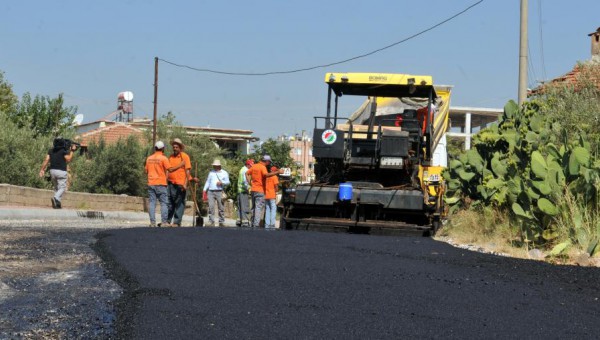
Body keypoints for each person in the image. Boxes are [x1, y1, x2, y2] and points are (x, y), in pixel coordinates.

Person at [144, 141, 177, 227]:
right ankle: (164, 222)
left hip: (151, 183)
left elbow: (146, 171)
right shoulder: (164, 158)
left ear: (155, 148)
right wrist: (181, 165)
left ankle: (152, 223)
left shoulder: (149, 158)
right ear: (163, 149)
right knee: (164, 203)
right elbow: (170, 170)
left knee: (152, 203)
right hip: (161, 184)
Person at [246, 155, 283, 228]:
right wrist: (278, 172)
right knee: (258, 207)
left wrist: (250, 183)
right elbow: (266, 175)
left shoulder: (254, 166)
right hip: (260, 190)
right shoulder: (263, 167)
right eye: (269, 162)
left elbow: (246, 173)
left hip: (253, 189)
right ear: (266, 161)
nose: (269, 163)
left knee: (253, 207)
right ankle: (256, 225)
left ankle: (252, 223)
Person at [39, 138, 76, 209]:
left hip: (52, 171)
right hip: (61, 171)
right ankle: (56, 198)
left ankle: (57, 204)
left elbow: (46, 160)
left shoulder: (51, 151)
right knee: (62, 187)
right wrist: (72, 151)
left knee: (56, 188)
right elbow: (68, 159)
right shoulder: (63, 151)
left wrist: (42, 169)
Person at [166, 138, 192, 227]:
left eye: (176, 147)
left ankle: (177, 222)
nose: (175, 148)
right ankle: (167, 220)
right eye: (174, 147)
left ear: (180, 148)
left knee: (179, 203)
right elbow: (168, 170)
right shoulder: (170, 157)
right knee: (170, 203)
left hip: (180, 184)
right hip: (170, 183)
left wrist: (185, 184)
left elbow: (188, 171)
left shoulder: (185, 157)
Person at [203, 159, 230, 227]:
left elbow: (228, 182)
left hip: (219, 191)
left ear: (219, 166)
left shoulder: (224, 173)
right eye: (214, 165)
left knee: (221, 207)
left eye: (216, 165)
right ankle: (211, 220)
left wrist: (222, 182)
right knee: (211, 207)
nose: (214, 167)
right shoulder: (211, 172)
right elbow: (208, 181)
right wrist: (204, 190)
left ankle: (221, 221)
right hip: (210, 191)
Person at [236, 159, 254, 227]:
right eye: (250, 165)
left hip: (239, 190)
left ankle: (239, 221)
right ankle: (245, 221)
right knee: (245, 206)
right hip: (244, 191)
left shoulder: (242, 169)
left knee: (240, 206)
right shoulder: (246, 170)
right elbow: (245, 181)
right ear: (248, 165)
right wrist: (249, 188)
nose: (251, 167)